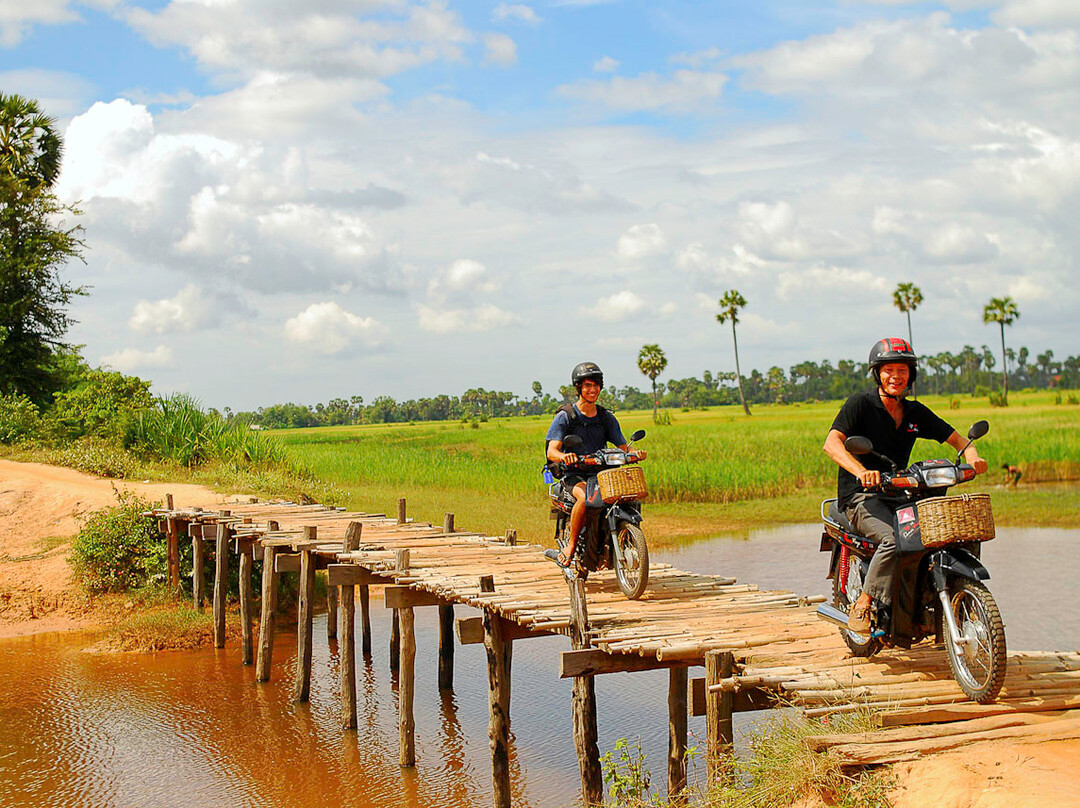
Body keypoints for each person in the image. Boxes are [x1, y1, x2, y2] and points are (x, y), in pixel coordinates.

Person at [823, 338, 988, 633]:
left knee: (939, 537)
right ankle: (863, 603)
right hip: (861, 497)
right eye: (889, 370)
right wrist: (862, 472)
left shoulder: (915, 413)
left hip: (900, 493)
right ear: (878, 374)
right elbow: (832, 443)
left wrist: (973, 456)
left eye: (902, 370)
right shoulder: (860, 404)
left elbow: (959, 441)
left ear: (911, 375)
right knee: (894, 539)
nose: (895, 377)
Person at [543, 362, 645, 568]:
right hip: (575, 475)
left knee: (625, 499)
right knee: (584, 499)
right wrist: (565, 457)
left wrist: (634, 454)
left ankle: (614, 540)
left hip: (602, 475)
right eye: (588, 385)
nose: (592, 389)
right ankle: (571, 546)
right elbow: (551, 451)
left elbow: (623, 446)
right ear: (579, 388)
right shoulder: (566, 417)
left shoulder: (605, 417)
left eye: (596, 385)